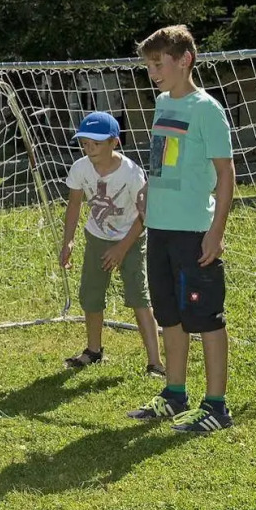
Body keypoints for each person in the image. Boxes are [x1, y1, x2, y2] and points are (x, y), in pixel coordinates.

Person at [126, 25, 236, 433]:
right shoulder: (161, 104)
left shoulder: (207, 109)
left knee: (205, 317)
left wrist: (216, 231)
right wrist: (148, 191)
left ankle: (216, 407)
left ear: (185, 60)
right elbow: (161, 160)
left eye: (159, 64)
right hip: (159, 229)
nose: (153, 73)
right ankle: (175, 395)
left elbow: (226, 174)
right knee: (169, 315)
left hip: (193, 233)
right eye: (149, 66)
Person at [56, 111, 162, 376]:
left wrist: (122, 248)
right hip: (97, 238)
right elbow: (74, 205)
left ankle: (155, 363)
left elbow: (145, 215)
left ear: (114, 142)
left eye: (96, 143)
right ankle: (94, 351)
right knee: (91, 296)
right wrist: (68, 241)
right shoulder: (80, 168)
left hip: (131, 238)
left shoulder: (131, 173)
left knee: (139, 297)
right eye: (85, 143)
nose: (89, 148)